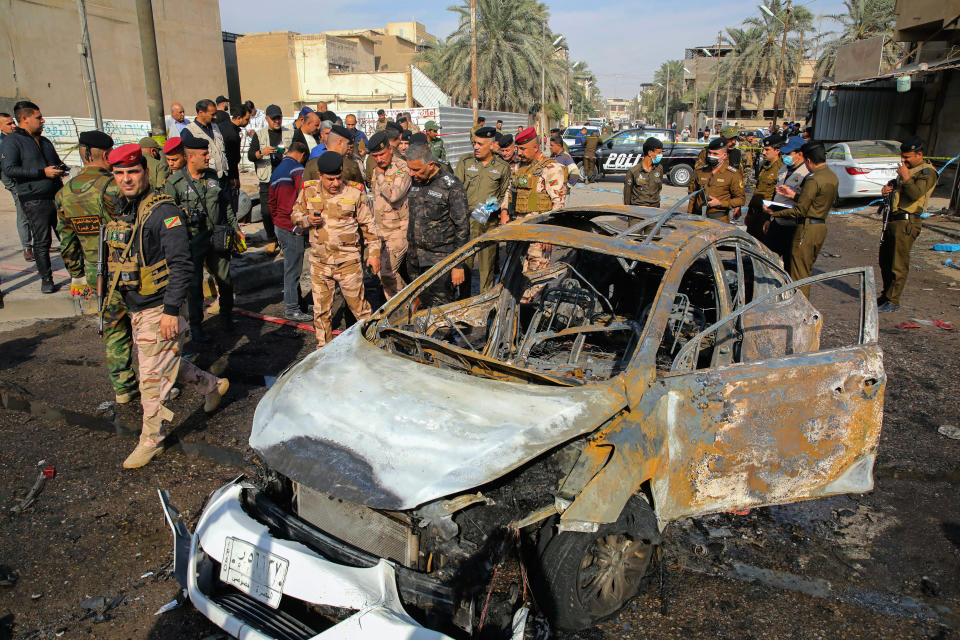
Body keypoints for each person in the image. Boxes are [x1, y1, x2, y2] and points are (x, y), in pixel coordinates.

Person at [104, 144, 228, 469]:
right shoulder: (127, 207)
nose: (127, 179)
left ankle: (151, 441)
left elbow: (182, 264)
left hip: (160, 308)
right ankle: (212, 385)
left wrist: (172, 311)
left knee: (150, 378)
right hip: (136, 306)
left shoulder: (164, 213)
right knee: (164, 362)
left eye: (133, 172)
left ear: (145, 172)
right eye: (120, 173)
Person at [55, 130, 139, 404]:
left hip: (94, 271)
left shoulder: (64, 192)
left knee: (113, 327)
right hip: (126, 268)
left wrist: (76, 274)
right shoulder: (113, 187)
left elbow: (66, 238)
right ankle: (159, 382)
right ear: (106, 155)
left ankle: (123, 387)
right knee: (144, 326)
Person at [291, 152, 381, 348]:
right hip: (320, 263)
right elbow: (295, 214)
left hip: (348, 262)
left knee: (360, 309)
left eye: (338, 178)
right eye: (330, 179)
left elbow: (370, 228)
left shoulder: (354, 193)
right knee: (321, 312)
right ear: (320, 176)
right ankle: (324, 350)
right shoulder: (309, 191)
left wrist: (374, 255)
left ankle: (373, 346)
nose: (335, 183)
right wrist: (307, 220)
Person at [163, 137, 241, 341]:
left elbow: (225, 206)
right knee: (194, 286)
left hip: (217, 236)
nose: (208, 157)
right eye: (204, 154)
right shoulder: (175, 184)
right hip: (191, 241)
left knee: (225, 280)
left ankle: (226, 317)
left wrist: (235, 227)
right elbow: (168, 217)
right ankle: (196, 326)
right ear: (190, 157)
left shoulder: (213, 177)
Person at [0, 100, 66, 293]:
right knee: (42, 241)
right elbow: (10, 169)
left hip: (57, 195)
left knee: (68, 237)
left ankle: (77, 275)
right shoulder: (13, 141)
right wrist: (42, 172)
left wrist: (61, 169)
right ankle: (47, 279)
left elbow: (55, 162)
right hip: (34, 198)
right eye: (38, 117)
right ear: (25, 119)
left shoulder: (44, 141)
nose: (42, 120)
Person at [764, 142, 837, 298]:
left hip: (806, 228)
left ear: (808, 161)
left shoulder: (813, 178)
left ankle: (800, 306)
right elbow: (816, 201)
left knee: (798, 274)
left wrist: (775, 213)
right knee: (805, 268)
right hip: (819, 226)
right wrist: (795, 196)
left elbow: (800, 211)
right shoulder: (831, 176)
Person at [877, 136, 938, 312]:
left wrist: (905, 177)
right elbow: (896, 189)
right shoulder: (908, 170)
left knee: (898, 263)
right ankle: (886, 295)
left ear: (919, 154)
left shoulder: (927, 172)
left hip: (907, 222)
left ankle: (894, 300)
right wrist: (886, 189)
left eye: (908, 158)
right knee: (885, 261)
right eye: (902, 157)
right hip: (892, 220)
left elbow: (915, 194)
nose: (903, 161)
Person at [406, 144, 469, 306]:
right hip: (415, 259)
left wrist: (458, 265)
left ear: (431, 164)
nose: (412, 174)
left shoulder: (451, 186)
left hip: (440, 261)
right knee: (420, 306)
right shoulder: (414, 182)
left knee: (441, 310)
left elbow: (462, 227)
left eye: (417, 170)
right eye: (410, 169)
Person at [500, 127, 567, 272]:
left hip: (539, 233)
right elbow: (509, 191)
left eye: (523, 149)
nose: (519, 153)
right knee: (515, 276)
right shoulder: (518, 167)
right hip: (517, 229)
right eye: (518, 149)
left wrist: (549, 233)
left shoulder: (551, 168)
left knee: (536, 279)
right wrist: (504, 210)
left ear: (535, 147)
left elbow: (559, 204)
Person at [456, 126, 510, 294]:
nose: (476, 147)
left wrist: (482, 213)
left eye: (480, 144)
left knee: (486, 268)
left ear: (492, 145)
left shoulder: (502, 167)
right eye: (475, 143)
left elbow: (502, 195)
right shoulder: (465, 162)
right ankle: (464, 302)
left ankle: (484, 305)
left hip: (488, 224)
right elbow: (456, 191)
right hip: (465, 225)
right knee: (464, 266)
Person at [268, 141, 312, 321]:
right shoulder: (296, 170)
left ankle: (297, 303)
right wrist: (296, 227)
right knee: (293, 269)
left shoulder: (278, 170)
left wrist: (278, 223)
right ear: (301, 154)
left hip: (280, 225)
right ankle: (292, 308)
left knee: (292, 266)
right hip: (289, 226)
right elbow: (291, 204)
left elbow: (272, 204)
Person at [366, 131, 412, 298]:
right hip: (381, 231)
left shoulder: (402, 167)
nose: (379, 159)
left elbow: (394, 195)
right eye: (375, 156)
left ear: (390, 149)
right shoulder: (376, 169)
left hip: (398, 230)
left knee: (387, 272)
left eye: (382, 154)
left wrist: (379, 175)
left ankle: (407, 303)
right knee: (383, 274)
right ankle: (401, 305)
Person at [248, 104, 291, 255]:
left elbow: (300, 149)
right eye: (273, 118)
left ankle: (285, 241)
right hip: (267, 179)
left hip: (285, 178)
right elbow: (251, 156)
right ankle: (272, 239)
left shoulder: (289, 133)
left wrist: (289, 153)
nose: (276, 121)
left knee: (285, 211)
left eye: (278, 118)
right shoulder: (259, 135)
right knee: (266, 212)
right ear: (267, 119)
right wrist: (263, 152)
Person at [763, 136, 811, 265]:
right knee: (769, 261)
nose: (784, 156)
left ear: (799, 154)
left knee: (791, 264)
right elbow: (776, 193)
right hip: (777, 221)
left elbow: (808, 201)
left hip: (793, 225)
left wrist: (794, 195)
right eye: (784, 153)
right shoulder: (783, 169)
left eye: (788, 153)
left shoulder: (806, 173)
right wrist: (769, 219)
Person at [0, 111, 33, 261]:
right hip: (17, 186)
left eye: (13, 122)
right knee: (23, 215)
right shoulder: (3, 145)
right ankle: (27, 247)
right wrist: (14, 188)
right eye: (9, 124)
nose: (13, 126)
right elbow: (4, 172)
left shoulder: (20, 138)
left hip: (31, 182)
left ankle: (41, 243)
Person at [688, 137, 745, 222]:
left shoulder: (733, 174)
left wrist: (720, 203)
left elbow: (740, 199)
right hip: (698, 218)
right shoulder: (700, 171)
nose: (711, 156)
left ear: (724, 155)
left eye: (715, 154)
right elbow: (692, 196)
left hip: (719, 219)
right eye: (710, 153)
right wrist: (689, 216)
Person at [744, 134, 784, 241]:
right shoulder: (765, 165)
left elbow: (779, 197)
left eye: (767, 150)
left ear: (777, 151)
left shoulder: (781, 169)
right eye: (763, 149)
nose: (763, 152)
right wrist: (749, 213)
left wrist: (771, 219)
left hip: (766, 215)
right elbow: (757, 190)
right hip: (755, 212)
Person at [180, 99, 229, 181]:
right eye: (212, 114)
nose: (215, 117)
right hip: (206, 179)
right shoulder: (189, 131)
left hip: (223, 177)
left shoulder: (215, 127)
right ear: (201, 113)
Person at [623, 137, 665, 207]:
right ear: (650, 153)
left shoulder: (659, 168)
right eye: (659, 153)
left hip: (655, 208)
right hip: (638, 210)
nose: (661, 155)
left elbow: (659, 188)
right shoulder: (633, 171)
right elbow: (627, 195)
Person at [220, 104, 251, 192]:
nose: (248, 122)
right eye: (247, 119)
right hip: (228, 173)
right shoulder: (232, 135)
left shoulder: (223, 126)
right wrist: (235, 178)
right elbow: (232, 159)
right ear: (238, 118)